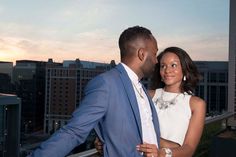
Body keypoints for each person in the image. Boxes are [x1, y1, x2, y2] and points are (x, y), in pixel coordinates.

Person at [28, 26, 161, 157]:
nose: (156, 61)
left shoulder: (141, 87)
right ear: (142, 54)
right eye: (154, 54)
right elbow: (74, 132)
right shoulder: (106, 84)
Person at [95, 46, 206, 157]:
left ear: (185, 69)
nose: (167, 70)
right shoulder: (147, 95)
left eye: (173, 65)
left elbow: (189, 149)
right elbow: (121, 121)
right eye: (163, 66)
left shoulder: (196, 104)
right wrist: (105, 139)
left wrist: (161, 153)